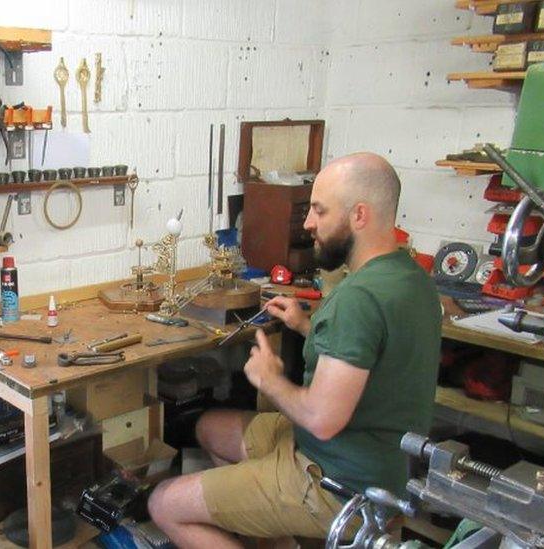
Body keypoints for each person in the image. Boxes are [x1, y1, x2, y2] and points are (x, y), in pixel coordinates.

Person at [148, 153, 441, 547]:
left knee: (164, 503)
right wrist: (307, 325)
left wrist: (268, 380)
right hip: (372, 461)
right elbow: (373, 353)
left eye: (319, 211)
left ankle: (273, 509)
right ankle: (271, 532)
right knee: (209, 427)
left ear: (359, 215)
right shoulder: (411, 278)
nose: (307, 224)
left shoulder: (358, 298)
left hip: (338, 482)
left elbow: (321, 419)